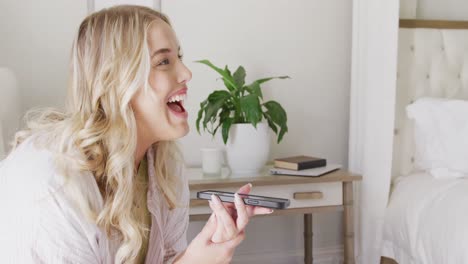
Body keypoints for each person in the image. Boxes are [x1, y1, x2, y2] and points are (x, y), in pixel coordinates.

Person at [0, 5, 272, 264]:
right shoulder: (55, 187)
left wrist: (207, 249)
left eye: (179, 57)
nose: (186, 73)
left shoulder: (164, 167)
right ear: (116, 79)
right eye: (164, 61)